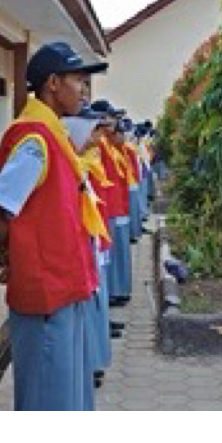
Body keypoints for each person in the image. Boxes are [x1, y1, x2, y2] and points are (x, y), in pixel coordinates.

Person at [0, 41, 108, 411]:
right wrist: (18, 250)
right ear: (53, 83)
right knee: (49, 400)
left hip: (63, 287)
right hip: (47, 292)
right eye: (78, 81)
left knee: (67, 397)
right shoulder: (36, 141)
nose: (84, 91)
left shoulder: (54, 136)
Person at [63, 104, 114, 395]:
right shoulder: (74, 165)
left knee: (93, 307)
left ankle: (93, 360)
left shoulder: (84, 162)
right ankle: (91, 362)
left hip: (90, 245)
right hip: (77, 253)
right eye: (93, 132)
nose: (98, 139)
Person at [90, 100, 132, 313]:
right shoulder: (97, 145)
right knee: (106, 263)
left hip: (113, 208)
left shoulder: (108, 145)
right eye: (109, 117)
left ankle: (115, 294)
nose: (113, 122)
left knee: (111, 260)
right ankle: (112, 297)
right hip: (104, 210)